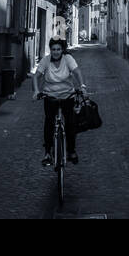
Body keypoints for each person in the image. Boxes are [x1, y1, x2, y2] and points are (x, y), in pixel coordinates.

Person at [32, 37, 85, 166]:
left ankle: (71, 151)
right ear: (50, 50)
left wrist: (82, 86)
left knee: (71, 123)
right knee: (49, 122)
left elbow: (77, 72)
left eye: (58, 49)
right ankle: (48, 152)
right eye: (53, 49)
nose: (56, 52)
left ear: (62, 50)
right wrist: (36, 91)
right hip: (50, 96)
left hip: (67, 95)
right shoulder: (45, 60)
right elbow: (36, 76)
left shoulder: (68, 59)